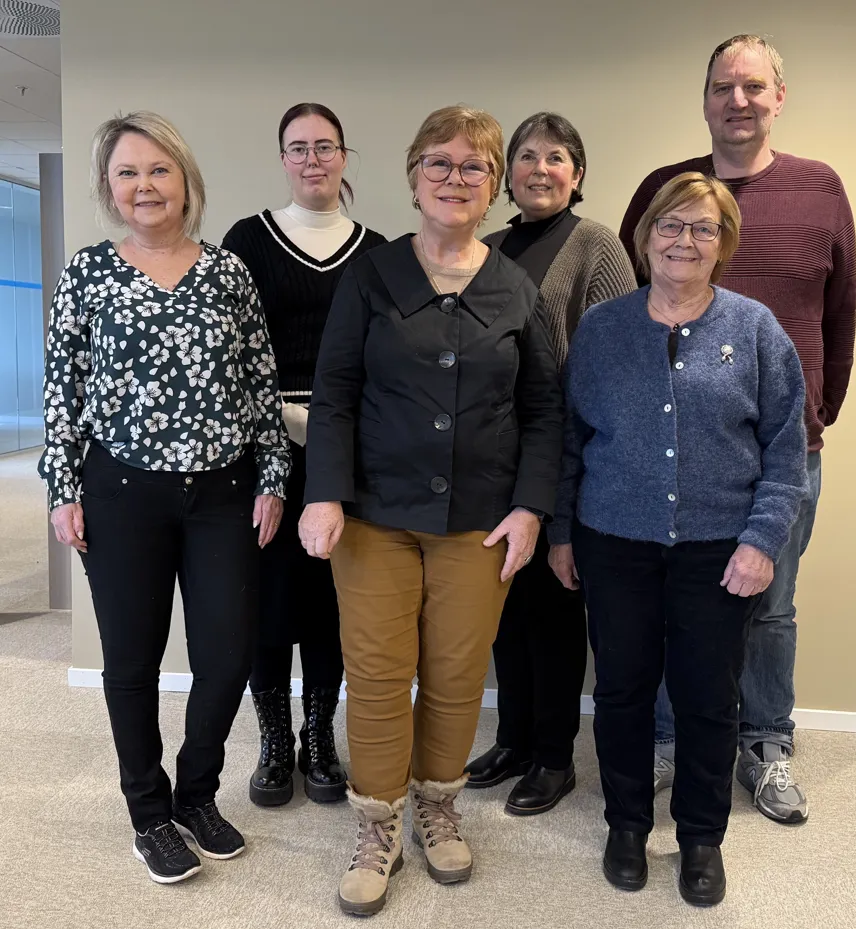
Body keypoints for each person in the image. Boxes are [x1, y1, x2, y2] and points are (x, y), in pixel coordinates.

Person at [299, 104, 563, 916]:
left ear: (494, 186)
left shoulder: (517, 287)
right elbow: (335, 390)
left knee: (454, 674)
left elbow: (545, 408)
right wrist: (324, 492)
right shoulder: (373, 275)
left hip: (481, 520)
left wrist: (530, 509)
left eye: (474, 167)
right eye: (440, 164)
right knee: (378, 674)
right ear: (414, 176)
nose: (456, 178)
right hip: (375, 515)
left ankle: (437, 805)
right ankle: (378, 822)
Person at [39, 112, 291, 884]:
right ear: (109, 188)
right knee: (132, 663)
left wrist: (274, 474)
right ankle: (149, 812)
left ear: (185, 181)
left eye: (158, 170)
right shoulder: (87, 272)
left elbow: (259, 383)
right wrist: (61, 487)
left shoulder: (227, 273)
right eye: (127, 172)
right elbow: (64, 390)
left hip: (222, 492)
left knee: (225, 655)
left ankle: (197, 794)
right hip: (120, 494)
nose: (144, 186)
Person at [549, 172, 808, 905]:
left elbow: (787, 451)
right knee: (624, 690)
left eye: (702, 228)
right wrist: (563, 531)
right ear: (646, 235)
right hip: (614, 541)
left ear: (723, 243)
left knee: (705, 698)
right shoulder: (604, 328)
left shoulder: (754, 329)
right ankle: (627, 824)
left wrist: (762, 541)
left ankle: (701, 837)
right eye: (671, 225)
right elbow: (572, 441)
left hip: (719, 549)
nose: (683, 240)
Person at [619, 34, 856, 824]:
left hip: (784, 453)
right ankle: (665, 738)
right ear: (706, 99)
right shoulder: (666, 190)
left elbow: (840, 310)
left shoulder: (820, 188)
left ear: (778, 97)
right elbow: (631, 309)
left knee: (772, 606)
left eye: (753, 86)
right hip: (671, 457)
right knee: (668, 601)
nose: (739, 101)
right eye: (724, 86)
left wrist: (817, 409)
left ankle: (766, 743)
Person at [465, 112, 635, 815]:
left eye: (556, 157)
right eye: (527, 156)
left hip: (565, 459)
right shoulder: (491, 246)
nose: (540, 168)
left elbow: (615, 360)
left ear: (578, 172)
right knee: (506, 606)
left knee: (556, 611)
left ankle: (554, 755)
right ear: (510, 173)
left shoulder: (596, 244)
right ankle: (513, 736)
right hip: (495, 459)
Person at [222, 103, 385, 807]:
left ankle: (320, 737)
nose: (313, 159)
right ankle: (275, 739)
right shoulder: (246, 241)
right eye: (298, 148)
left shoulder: (378, 250)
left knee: (329, 603)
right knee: (266, 603)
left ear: (345, 156)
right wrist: (269, 434)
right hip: (264, 451)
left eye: (325, 147)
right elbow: (229, 352)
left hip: (345, 450)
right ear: (282, 159)